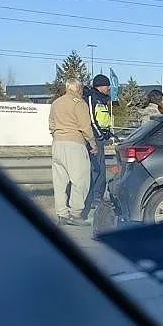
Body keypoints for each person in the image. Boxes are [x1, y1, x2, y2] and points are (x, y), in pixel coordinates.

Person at [49, 79, 95, 226]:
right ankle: (75, 214)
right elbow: (85, 126)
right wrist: (93, 144)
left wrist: (57, 135)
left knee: (59, 182)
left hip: (57, 144)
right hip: (75, 144)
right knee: (80, 180)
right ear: (78, 88)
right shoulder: (79, 103)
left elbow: (51, 124)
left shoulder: (56, 103)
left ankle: (62, 214)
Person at [83, 74, 114, 216]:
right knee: (96, 167)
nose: (109, 88)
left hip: (101, 137)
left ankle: (98, 196)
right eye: (107, 86)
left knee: (101, 167)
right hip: (94, 138)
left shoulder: (103, 99)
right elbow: (91, 118)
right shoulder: (92, 97)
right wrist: (99, 134)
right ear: (101, 86)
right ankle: (94, 197)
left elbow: (103, 118)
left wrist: (107, 132)